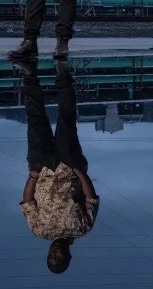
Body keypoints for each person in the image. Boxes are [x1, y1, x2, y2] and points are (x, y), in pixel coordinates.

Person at [18, 58, 99, 274]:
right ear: (68, 256)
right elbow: (91, 198)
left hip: (41, 168)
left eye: (50, 257)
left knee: (36, 119)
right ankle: (62, 73)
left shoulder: (38, 230)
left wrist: (33, 176)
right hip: (68, 167)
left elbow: (27, 203)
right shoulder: (83, 228)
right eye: (58, 258)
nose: (53, 253)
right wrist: (78, 170)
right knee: (66, 119)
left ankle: (29, 74)